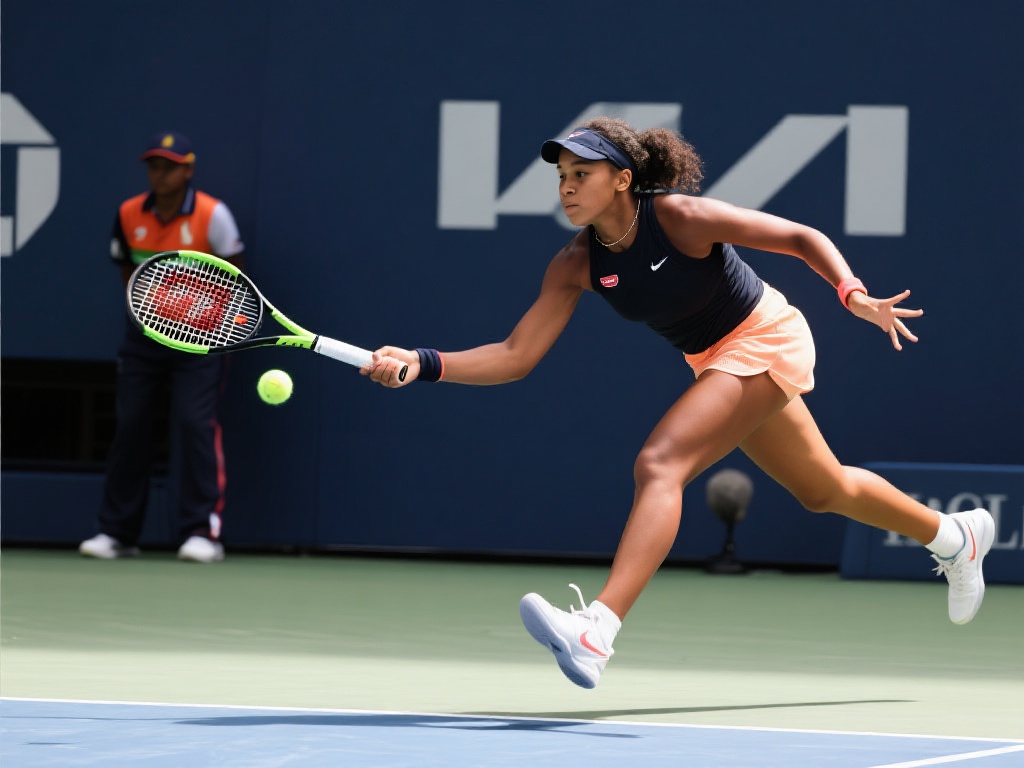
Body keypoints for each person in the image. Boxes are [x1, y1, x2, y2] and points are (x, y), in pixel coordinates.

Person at [362, 118, 995, 688]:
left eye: (582, 174)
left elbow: (801, 237)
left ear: (622, 180)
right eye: (562, 176)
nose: (567, 187)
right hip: (714, 360)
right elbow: (515, 356)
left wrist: (851, 293)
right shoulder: (576, 263)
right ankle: (953, 535)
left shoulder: (680, 218)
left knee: (660, 463)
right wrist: (423, 363)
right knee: (823, 489)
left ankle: (598, 630)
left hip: (766, 337)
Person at [79, 131, 245, 564]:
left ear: (188, 170)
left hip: (201, 339)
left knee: (194, 423)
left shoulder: (213, 214)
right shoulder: (128, 212)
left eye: (170, 167)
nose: (160, 174)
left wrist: (210, 324)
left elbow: (235, 275)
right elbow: (128, 273)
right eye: (154, 166)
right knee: (130, 424)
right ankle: (117, 532)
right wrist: (150, 316)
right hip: (145, 337)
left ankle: (202, 532)